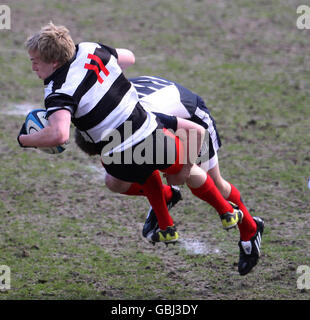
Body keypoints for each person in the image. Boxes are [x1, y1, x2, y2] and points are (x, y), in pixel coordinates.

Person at [16, 23, 239, 248]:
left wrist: (24, 140)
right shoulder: (90, 49)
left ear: (54, 62)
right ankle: (227, 212)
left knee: (137, 171)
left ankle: (167, 225)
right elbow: (129, 58)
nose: (33, 66)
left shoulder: (58, 91)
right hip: (152, 138)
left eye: (36, 60)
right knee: (187, 169)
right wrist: (187, 167)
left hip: (118, 162)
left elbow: (59, 134)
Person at [75, 75, 264, 276]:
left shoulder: (137, 118)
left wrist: (185, 168)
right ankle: (167, 195)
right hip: (155, 117)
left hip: (190, 118)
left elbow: (194, 131)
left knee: (201, 179)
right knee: (114, 180)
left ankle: (250, 229)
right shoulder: (103, 113)